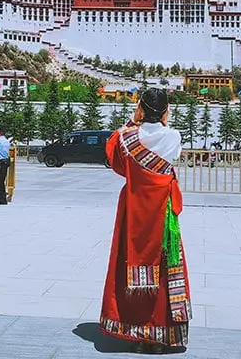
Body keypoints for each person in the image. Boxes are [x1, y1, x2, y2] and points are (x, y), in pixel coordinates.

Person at [99, 88, 192, 353]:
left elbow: (115, 161)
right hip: (162, 211)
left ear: (141, 109)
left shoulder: (125, 137)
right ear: (165, 110)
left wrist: (133, 119)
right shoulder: (173, 136)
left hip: (133, 210)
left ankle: (136, 333)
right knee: (164, 268)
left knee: (129, 264)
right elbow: (172, 158)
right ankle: (161, 335)